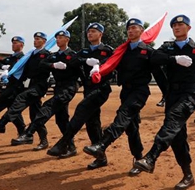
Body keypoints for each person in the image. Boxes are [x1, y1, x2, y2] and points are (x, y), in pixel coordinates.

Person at [134, 15, 195, 190]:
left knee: (172, 121)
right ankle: (188, 175)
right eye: (174, 25)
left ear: (188, 28)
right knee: (178, 138)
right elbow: (154, 59)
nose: (177, 27)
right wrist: (174, 59)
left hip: (189, 93)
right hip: (172, 95)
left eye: (180, 24)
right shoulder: (168, 48)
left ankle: (151, 157)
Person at [82, 18, 157, 176]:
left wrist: (167, 94)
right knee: (131, 127)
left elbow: (159, 75)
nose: (130, 30)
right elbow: (110, 62)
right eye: (128, 28)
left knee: (122, 115)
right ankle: (139, 159)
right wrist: (98, 67)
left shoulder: (148, 51)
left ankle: (103, 144)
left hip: (140, 91)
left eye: (134, 27)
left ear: (141, 30)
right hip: (126, 91)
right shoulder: (122, 50)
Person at [46, 22, 114, 170]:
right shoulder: (83, 52)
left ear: (100, 34)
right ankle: (100, 157)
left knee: (82, 109)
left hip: (101, 88)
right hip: (89, 88)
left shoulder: (107, 50)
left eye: (94, 31)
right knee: (92, 123)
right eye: (88, 31)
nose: (90, 34)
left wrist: (100, 64)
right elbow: (74, 61)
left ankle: (63, 143)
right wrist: (86, 61)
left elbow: (113, 64)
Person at [10, 30, 82, 157]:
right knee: (61, 120)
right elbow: (42, 65)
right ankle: (70, 147)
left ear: (67, 40)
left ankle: (28, 133)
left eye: (61, 37)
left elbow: (80, 72)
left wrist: (79, 85)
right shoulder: (53, 55)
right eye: (57, 38)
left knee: (48, 107)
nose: (58, 40)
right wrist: (53, 65)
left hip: (68, 87)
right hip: (58, 87)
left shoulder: (73, 54)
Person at [0, 32, 51, 151]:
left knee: (19, 101)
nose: (35, 41)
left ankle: (2, 124)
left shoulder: (46, 54)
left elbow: (45, 69)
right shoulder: (31, 55)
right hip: (30, 84)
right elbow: (25, 70)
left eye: (38, 39)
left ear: (44, 41)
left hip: (39, 86)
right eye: (34, 39)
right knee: (35, 114)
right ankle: (42, 140)